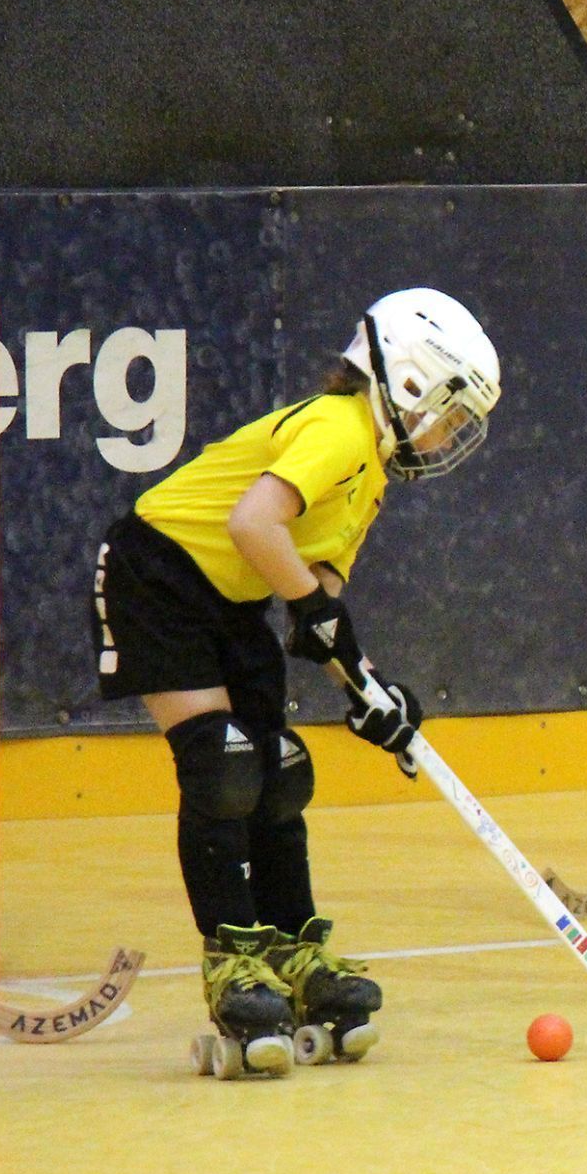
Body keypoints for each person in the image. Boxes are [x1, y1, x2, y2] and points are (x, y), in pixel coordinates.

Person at [89, 288, 502, 1075]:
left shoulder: (371, 474)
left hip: (235, 595)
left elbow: (320, 595)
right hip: (160, 573)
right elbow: (254, 522)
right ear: (410, 383)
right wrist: (313, 610)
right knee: (223, 764)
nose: (450, 433)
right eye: (449, 411)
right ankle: (233, 957)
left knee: (278, 769)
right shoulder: (337, 426)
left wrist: (371, 690)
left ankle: (293, 946)